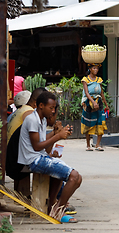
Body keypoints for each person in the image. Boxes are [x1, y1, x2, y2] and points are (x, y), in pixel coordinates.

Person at [18, 91, 82, 221]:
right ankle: (58, 211)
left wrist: (55, 134)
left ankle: (53, 208)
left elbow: (44, 147)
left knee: (76, 177)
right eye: (51, 108)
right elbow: (37, 146)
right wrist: (57, 136)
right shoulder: (32, 119)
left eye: (54, 108)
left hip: (38, 157)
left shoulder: (40, 120)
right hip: (32, 160)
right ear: (41, 105)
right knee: (74, 177)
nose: (53, 111)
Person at [6, 88, 45, 193]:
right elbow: (38, 144)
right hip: (16, 159)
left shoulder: (20, 110)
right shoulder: (30, 113)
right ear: (39, 103)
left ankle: (23, 197)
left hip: (10, 156)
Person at [81, 63, 109, 152]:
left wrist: (106, 104)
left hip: (99, 102)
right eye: (94, 68)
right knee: (89, 122)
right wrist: (92, 102)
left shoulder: (99, 80)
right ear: (90, 69)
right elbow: (86, 92)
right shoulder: (85, 80)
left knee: (101, 121)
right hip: (89, 102)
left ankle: (98, 145)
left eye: (97, 68)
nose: (96, 70)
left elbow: (101, 93)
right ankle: (88, 145)